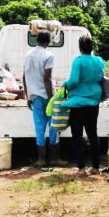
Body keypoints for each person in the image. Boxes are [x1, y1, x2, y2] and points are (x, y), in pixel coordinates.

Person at [23, 31, 67, 168]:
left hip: (35, 96)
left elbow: (24, 76)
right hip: (47, 96)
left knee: (39, 127)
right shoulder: (48, 55)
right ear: (48, 42)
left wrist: (28, 95)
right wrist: (50, 99)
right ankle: (54, 158)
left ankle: (41, 160)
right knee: (53, 126)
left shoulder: (28, 55)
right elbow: (47, 78)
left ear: (37, 40)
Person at [62, 35, 105, 176]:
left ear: (80, 48)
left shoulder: (78, 61)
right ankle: (96, 168)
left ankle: (81, 168)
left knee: (77, 135)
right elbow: (101, 78)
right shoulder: (99, 61)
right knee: (93, 134)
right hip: (94, 102)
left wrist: (65, 84)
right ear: (92, 47)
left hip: (78, 103)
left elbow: (73, 81)